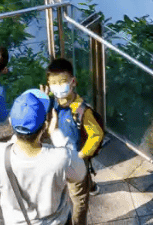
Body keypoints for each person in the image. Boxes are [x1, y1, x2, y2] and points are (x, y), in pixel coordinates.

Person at [0, 89, 86, 225]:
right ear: (45, 126)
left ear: (10, 122)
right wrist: (55, 133)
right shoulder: (61, 158)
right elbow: (80, 173)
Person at [45, 57, 104, 225]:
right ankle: (90, 185)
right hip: (60, 155)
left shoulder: (81, 111)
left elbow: (96, 134)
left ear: (73, 82)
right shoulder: (54, 101)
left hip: (75, 158)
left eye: (62, 81)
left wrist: (82, 154)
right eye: (53, 83)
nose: (57, 86)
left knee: (78, 201)